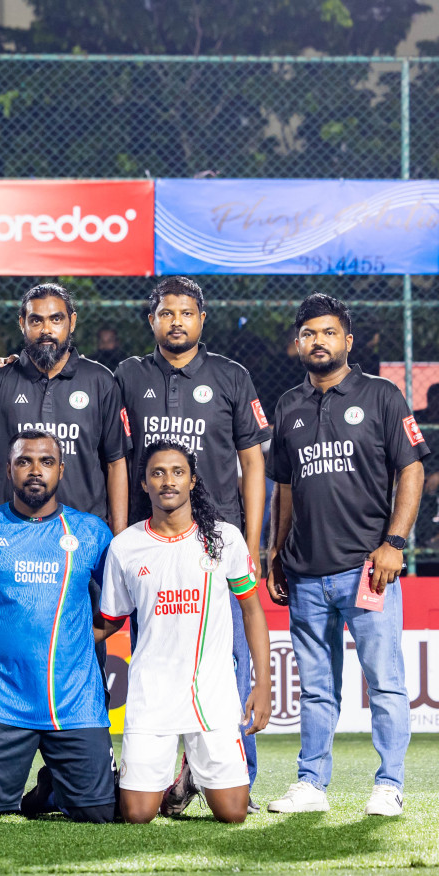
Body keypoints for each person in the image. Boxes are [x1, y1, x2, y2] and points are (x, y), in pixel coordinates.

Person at [265, 293, 426, 817]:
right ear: (298, 343)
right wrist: (275, 550)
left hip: (368, 571)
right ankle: (312, 784)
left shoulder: (381, 395)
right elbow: (284, 486)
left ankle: (389, 784)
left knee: (385, 682)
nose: (318, 341)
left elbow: (412, 468)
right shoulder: (287, 406)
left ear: (348, 341)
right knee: (316, 689)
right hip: (305, 574)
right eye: (308, 333)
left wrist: (394, 543)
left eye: (328, 332)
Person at [114, 276, 272, 809]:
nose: (176, 321)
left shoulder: (231, 375)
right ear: (152, 320)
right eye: (166, 312)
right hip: (152, 543)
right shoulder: (128, 375)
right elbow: (117, 457)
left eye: (186, 312)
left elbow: (253, 462)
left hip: (215, 544)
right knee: (154, 656)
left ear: (202, 319)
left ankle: (234, 775)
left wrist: (253, 540)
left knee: (229, 664)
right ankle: (165, 777)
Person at [96, 442, 271, 824]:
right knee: (137, 814)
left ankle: (194, 773)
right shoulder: (126, 547)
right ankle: (146, 777)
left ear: (192, 481)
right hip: (152, 696)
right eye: (157, 473)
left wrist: (263, 684)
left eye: (178, 472)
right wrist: (62, 640)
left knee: (233, 813)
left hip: (212, 696)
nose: (168, 481)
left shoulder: (224, 538)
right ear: (144, 484)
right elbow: (109, 620)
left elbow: (252, 611)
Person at [0, 430, 116, 823]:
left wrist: (80, 637)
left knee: (100, 814)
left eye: (46, 462)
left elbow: (119, 603)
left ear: (61, 470)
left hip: (74, 702)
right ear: (8, 470)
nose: (35, 470)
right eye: (24, 461)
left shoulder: (91, 532)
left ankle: (51, 789)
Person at [0, 283, 130, 535]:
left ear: (72, 322)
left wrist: (119, 538)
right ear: (22, 323)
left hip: (83, 534)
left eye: (56, 319)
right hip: (12, 532)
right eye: (36, 320)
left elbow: (116, 463)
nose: (46, 330)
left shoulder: (100, 380)